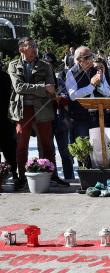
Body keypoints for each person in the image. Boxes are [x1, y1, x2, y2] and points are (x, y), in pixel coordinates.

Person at [8, 37, 59, 190]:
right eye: (31, 45)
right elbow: (18, 87)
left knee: (47, 145)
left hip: (43, 109)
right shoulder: (13, 65)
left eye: (35, 45)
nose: (35, 48)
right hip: (22, 110)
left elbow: (52, 88)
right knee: (21, 146)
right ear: (21, 49)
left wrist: (43, 89)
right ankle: (22, 177)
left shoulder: (46, 65)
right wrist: (42, 87)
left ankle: (50, 175)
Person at [66, 45, 110, 143]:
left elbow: (108, 92)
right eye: (87, 58)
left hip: (99, 114)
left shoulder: (97, 70)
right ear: (79, 60)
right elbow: (73, 95)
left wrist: (98, 85)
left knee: (99, 148)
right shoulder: (71, 73)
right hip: (81, 117)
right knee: (84, 149)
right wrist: (91, 85)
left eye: (91, 56)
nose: (91, 60)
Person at [44, 53, 75, 185]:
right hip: (46, 120)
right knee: (47, 150)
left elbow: (67, 96)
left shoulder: (59, 79)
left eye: (50, 63)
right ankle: (51, 177)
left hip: (61, 120)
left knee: (65, 151)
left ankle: (69, 178)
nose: (48, 65)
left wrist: (58, 98)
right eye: (46, 63)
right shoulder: (41, 80)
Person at [0, 60, 17, 185]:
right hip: (6, 120)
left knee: (9, 149)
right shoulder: (5, 77)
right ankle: (15, 175)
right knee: (9, 150)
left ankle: (14, 175)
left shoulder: (5, 77)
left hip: (5, 120)